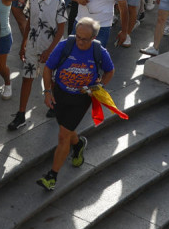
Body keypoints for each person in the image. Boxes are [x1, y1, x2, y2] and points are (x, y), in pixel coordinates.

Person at [37, 17, 114, 191]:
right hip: (60, 94)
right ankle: (78, 144)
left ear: (93, 38)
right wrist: (47, 92)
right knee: (67, 130)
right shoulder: (65, 46)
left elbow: (110, 70)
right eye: (77, 36)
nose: (79, 41)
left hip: (81, 99)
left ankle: (52, 177)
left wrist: (99, 87)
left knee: (63, 135)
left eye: (84, 39)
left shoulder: (99, 51)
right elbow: (48, 68)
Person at [12, 0, 67, 131]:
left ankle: (54, 104)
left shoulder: (59, 2)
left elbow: (60, 30)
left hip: (51, 47)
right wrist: (23, 43)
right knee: (27, 78)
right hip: (32, 45)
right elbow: (29, 22)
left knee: (51, 79)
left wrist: (50, 50)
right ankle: (21, 113)